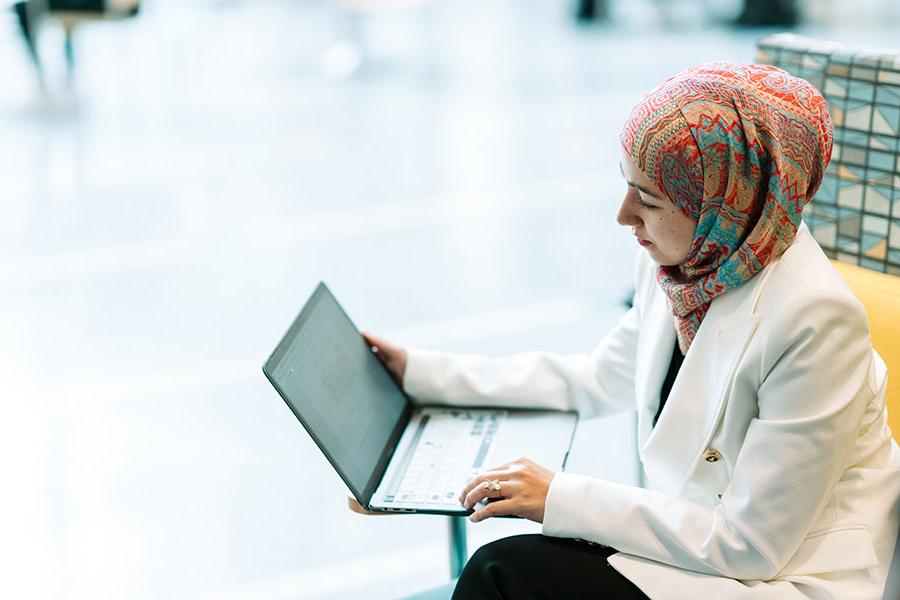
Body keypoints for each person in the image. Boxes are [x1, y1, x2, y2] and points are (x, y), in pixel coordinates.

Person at [362, 63, 900, 599]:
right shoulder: (686, 264)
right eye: (627, 185)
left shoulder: (815, 319)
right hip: (698, 542)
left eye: (648, 200)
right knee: (509, 567)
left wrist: (558, 496)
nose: (624, 216)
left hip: (783, 577)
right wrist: (421, 373)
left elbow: (752, 546)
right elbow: (597, 377)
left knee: (500, 571)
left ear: (720, 206)